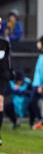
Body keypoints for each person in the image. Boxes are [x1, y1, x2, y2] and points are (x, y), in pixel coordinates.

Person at [0, 17, 14, 146]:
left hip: (1, 77)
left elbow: (8, 59)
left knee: (0, 104)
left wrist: (10, 71)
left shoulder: (4, 43)